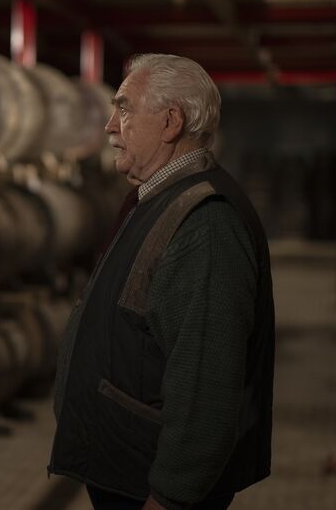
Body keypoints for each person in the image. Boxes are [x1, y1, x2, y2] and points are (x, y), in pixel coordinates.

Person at [49, 54, 274, 510]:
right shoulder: (154, 199)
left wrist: (172, 494)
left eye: (125, 108)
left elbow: (207, 382)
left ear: (171, 122)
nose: (111, 125)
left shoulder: (205, 223)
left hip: (150, 487)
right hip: (124, 470)